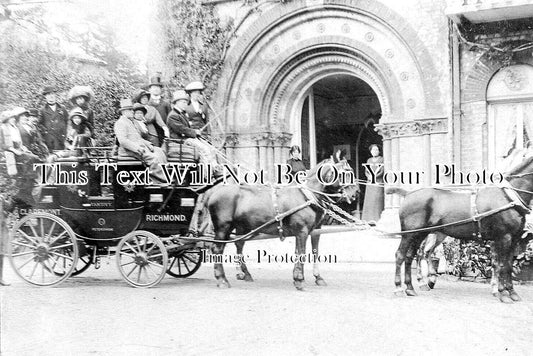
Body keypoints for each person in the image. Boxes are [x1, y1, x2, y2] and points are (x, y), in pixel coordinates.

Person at [114, 99, 168, 184]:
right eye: (130, 110)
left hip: (139, 147)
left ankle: (164, 176)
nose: (132, 111)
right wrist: (137, 148)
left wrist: (148, 144)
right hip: (129, 151)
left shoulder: (132, 122)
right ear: (124, 112)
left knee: (159, 151)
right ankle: (159, 180)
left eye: (132, 110)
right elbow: (123, 141)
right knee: (153, 158)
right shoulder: (120, 123)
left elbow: (138, 138)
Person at [0, 108, 42, 207]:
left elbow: (20, 143)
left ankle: (32, 179)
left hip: (19, 150)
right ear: (7, 119)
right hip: (11, 153)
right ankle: (30, 177)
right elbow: (3, 145)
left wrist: (25, 149)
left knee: (35, 157)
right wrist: (15, 151)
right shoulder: (3, 128)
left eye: (13, 118)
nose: (13, 119)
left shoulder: (14, 128)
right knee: (31, 159)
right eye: (11, 118)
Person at [39, 85, 69, 151]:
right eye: (48, 94)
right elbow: (39, 125)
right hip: (49, 142)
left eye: (52, 94)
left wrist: (66, 135)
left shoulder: (62, 108)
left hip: (61, 140)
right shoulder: (42, 110)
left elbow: (67, 122)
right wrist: (46, 133)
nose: (51, 96)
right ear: (45, 96)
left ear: (55, 95)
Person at [361, 144, 384, 222]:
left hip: (378, 182)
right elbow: (366, 171)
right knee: (369, 200)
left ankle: (377, 219)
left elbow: (382, 171)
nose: (374, 151)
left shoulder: (382, 159)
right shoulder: (369, 160)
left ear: (379, 151)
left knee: (377, 200)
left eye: (376, 150)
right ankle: (368, 220)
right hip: (370, 182)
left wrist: (375, 176)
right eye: (373, 150)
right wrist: (369, 176)